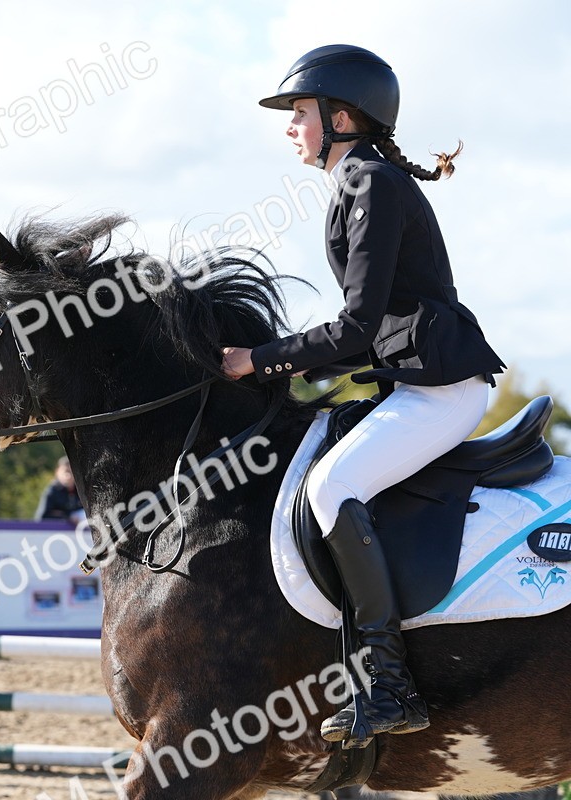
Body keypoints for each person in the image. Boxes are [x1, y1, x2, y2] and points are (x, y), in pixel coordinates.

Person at [220, 45, 506, 748]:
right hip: (414, 380)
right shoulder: (358, 182)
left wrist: (260, 359)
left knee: (331, 486)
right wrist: (273, 370)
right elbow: (366, 335)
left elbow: (355, 328)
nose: (290, 126)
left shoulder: (372, 183)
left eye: (300, 112)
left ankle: (388, 686)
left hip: (442, 389)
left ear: (340, 118)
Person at [34, 457, 84, 522]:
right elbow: (42, 517)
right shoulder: (52, 491)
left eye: (72, 472)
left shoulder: (82, 491)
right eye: (66, 471)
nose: (69, 476)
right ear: (57, 472)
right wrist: (67, 517)